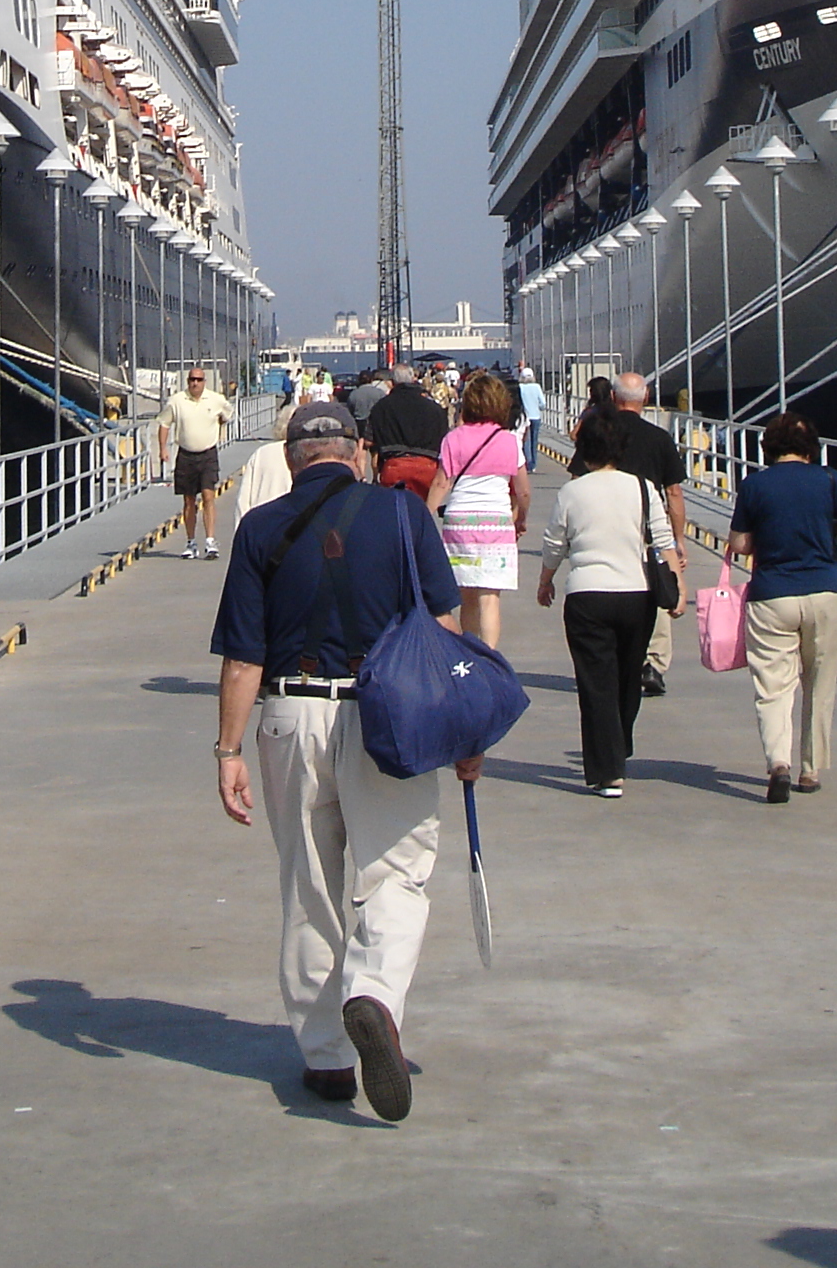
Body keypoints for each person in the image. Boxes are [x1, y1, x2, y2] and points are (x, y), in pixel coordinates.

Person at [210, 399, 475, 1122]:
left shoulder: (260, 528)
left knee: (311, 883)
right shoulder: (403, 517)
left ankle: (326, 1056)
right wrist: (460, 734)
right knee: (398, 871)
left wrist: (228, 750)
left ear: (293, 458)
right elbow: (446, 629)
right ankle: (375, 995)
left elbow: (243, 657)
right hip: (391, 712)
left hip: (292, 712)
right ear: (357, 452)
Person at [727, 413, 837, 805]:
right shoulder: (828, 479)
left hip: (773, 594)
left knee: (774, 687)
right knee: (819, 683)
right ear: (812, 447)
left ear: (768, 448)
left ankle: (779, 763)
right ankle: (810, 769)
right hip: (826, 592)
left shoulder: (754, 485)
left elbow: (740, 545)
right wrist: (831, 528)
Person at [535, 424, 681, 796]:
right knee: (629, 676)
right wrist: (679, 587)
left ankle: (607, 771)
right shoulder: (642, 487)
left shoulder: (571, 491)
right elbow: (663, 540)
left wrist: (546, 579)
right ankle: (619, 745)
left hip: (587, 595)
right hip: (637, 594)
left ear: (584, 451)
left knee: (595, 683)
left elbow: (555, 541)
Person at [600, 373, 691, 696]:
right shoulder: (659, 438)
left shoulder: (602, 434)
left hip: (607, 525)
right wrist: (678, 540)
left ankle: (618, 661)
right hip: (652, 527)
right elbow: (675, 493)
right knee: (658, 589)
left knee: (611, 588)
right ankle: (652, 664)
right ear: (647, 397)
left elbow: (579, 480)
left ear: (613, 397)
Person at [431, 370, 531, 650]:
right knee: (490, 598)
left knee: (466, 595)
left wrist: (426, 516)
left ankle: (469, 651)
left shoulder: (453, 438)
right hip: (495, 523)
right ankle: (490, 657)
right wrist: (520, 518)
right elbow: (522, 490)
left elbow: (441, 482)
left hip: (459, 522)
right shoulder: (509, 441)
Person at [158, 365, 234, 559]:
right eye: (192, 379)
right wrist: (163, 448)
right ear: (188, 381)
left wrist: (219, 424)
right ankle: (191, 542)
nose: (195, 383)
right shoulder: (177, 401)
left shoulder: (215, 399)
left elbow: (227, 414)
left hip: (208, 454)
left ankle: (210, 540)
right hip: (186, 455)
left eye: (199, 380)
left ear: (204, 382)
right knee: (189, 499)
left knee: (209, 496)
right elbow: (164, 423)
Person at [362, 363, 451, 502]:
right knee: (419, 513)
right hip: (427, 467)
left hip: (393, 466)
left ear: (391, 383)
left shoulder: (381, 407)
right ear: (414, 380)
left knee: (394, 513)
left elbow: (368, 441)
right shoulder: (434, 409)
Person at [227, 395, 297, 539]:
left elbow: (243, 502)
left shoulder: (261, 454)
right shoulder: (305, 456)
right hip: (291, 532)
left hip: (260, 531)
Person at [515, 365, 547, 470]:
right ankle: (534, 464)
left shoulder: (520, 387)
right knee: (534, 440)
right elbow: (543, 403)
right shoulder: (537, 387)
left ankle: (527, 463)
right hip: (536, 417)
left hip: (524, 417)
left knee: (526, 441)